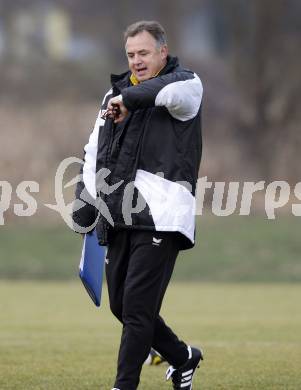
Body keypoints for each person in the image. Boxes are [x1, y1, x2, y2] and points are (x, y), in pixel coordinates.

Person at [73, 20, 204, 390]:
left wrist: (127, 99)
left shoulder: (187, 84)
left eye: (143, 52)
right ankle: (182, 357)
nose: (136, 61)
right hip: (120, 211)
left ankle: (124, 384)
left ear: (163, 51)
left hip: (162, 215)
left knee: (137, 310)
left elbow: (164, 93)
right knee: (121, 306)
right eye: (130, 54)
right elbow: (93, 151)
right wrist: (86, 200)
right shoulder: (114, 94)